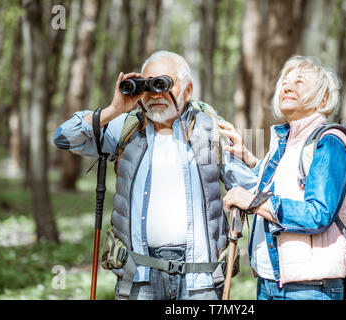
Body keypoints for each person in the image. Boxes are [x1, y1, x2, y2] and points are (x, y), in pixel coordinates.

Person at [53, 50, 257, 300]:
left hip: (200, 281)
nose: (156, 94)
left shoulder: (210, 130)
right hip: (139, 278)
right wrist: (114, 109)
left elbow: (252, 191)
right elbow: (63, 138)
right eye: (149, 85)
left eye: (164, 83)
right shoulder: (126, 128)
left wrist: (250, 161)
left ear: (188, 90)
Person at [221, 56, 346, 300]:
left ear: (323, 99)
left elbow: (318, 214)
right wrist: (249, 159)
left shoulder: (329, 142)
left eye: (300, 82)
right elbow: (283, 186)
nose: (288, 86)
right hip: (270, 283)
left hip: (310, 288)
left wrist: (253, 202)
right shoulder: (286, 143)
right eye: (285, 81)